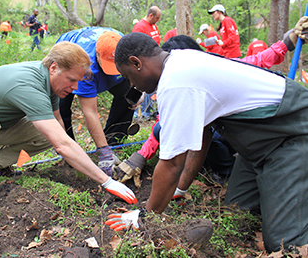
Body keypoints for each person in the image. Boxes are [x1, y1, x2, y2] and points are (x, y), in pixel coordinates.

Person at [105, 17, 308, 252]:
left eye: (129, 77)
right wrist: (180, 189)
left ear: (136, 63)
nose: (135, 86)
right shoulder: (180, 59)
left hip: (291, 132)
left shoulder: (175, 81)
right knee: (237, 209)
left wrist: (144, 216)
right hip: (257, 148)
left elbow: (171, 164)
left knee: (284, 242)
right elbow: (202, 135)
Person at [0, 41, 137, 205]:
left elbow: (58, 127)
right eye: (71, 80)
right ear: (54, 67)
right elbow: (62, 144)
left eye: (78, 81)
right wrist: (106, 181)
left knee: (48, 134)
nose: (75, 87)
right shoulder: (28, 84)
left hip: (0, 126)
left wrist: (72, 159)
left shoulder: (49, 82)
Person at [113, 33, 290, 188]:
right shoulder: (178, 71)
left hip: (262, 127)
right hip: (240, 132)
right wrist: (141, 156)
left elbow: (255, 61)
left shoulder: (186, 77)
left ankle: (226, 167)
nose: (132, 85)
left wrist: (286, 43)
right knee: (164, 130)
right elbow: (166, 124)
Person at [55, 27, 135, 176]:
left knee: (127, 95)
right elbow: (90, 112)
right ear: (97, 55)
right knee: (62, 106)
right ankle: (70, 151)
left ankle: (114, 141)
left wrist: (137, 89)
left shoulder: (126, 46)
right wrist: (102, 151)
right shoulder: (85, 66)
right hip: (68, 58)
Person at [132, 6, 162, 120]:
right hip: (145, 62)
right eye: (157, 18)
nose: (158, 20)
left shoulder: (154, 26)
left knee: (153, 86)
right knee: (146, 86)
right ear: (151, 15)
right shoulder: (140, 27)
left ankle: (149, 110)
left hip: (154, 60)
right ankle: (142, 113)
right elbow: (136, 47)